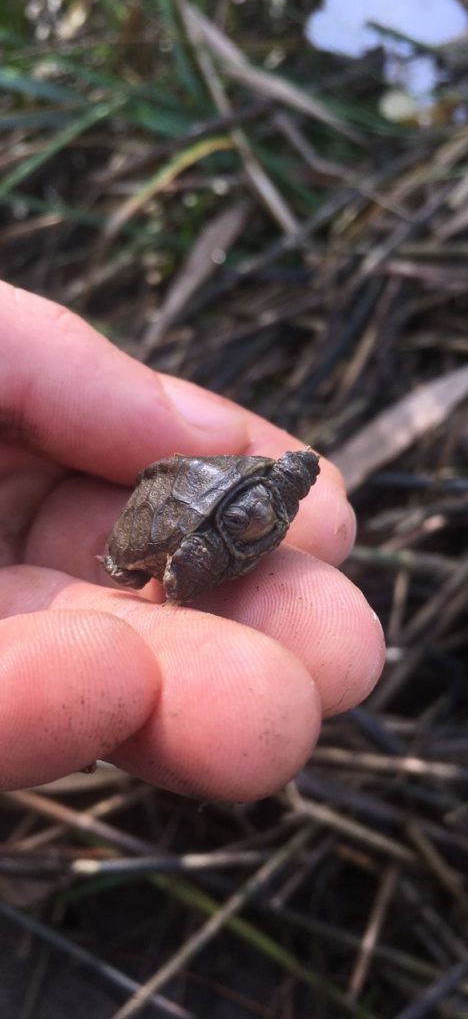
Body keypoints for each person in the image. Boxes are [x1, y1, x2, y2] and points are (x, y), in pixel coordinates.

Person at [0, 280, 385, 800]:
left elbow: (273, 497)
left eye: (272, 503)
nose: (262, 512)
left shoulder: (272, 496)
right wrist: (182, 578)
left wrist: (272, 498)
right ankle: (139, 566)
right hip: (176, 520)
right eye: (250, 511)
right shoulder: (220, 512)